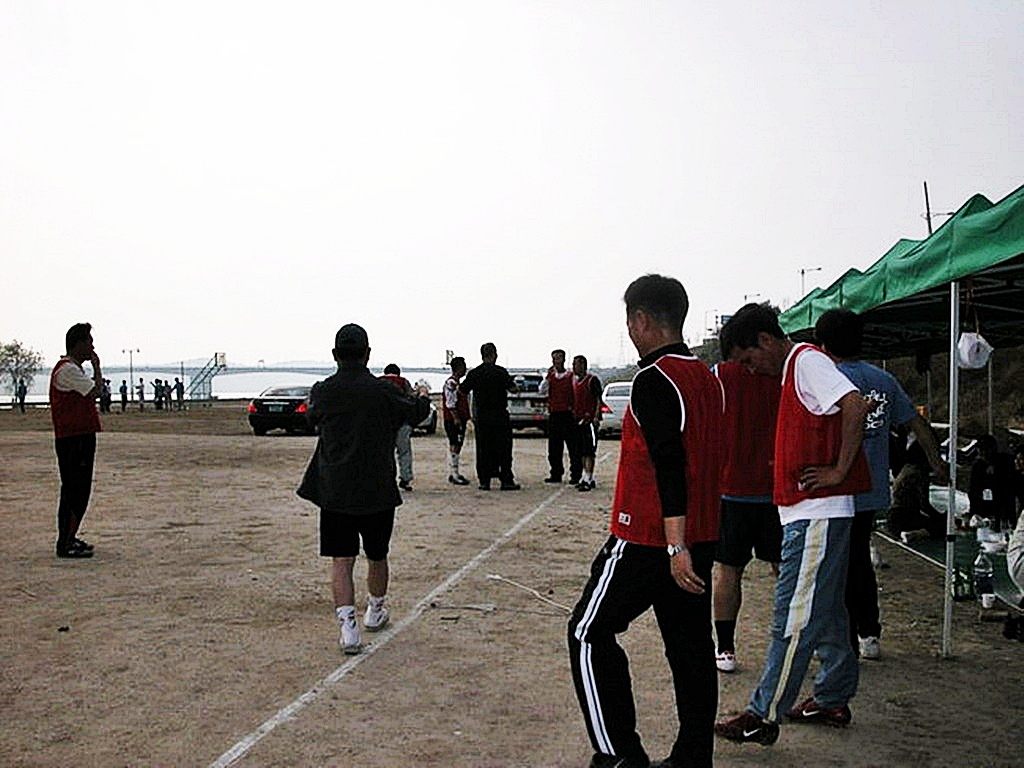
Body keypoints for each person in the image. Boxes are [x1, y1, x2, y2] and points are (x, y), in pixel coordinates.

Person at [568, 274, 723, 768]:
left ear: (641, 320)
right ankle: (693, 756)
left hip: (649, 538)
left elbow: (669, 464)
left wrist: (675, 547)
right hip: (699, 534)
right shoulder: (708, 379)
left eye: (630, 322)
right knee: (690, 650)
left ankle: (618, 756)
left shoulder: (655, 379)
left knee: (587, 633)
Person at [714, 303, 871, 747]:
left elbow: (855, 405)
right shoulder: (797, 367)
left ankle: (763, 714)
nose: (751, 370)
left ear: (766, 340)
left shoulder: (805, 362)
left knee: (795, 616)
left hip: (816, 512)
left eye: (749, 359)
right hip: (814, 512)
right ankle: (832, 697)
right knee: (828, 611)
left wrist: (838, 470)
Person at [815, 308, 947, 659]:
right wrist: (937, 464)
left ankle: (842, 639)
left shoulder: (826, 378)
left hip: (833, 489)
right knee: (859, 560)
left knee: (834, 565)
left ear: (822, 344)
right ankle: (869, 633)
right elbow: (918, 425)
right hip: (871, 490)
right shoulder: (883, 380)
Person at [297, 324, 430, 654]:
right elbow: (416, 413)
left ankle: (348, 628)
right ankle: (375, 609)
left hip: (336, 489)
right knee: (377, 554)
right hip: (376, 488)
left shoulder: (324, 390)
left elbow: (310, 418)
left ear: (335, 355)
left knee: (341, 560)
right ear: (368, 354)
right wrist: (423, 395)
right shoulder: (383, 391)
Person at [710, 359, 781, 674]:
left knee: (730, 571)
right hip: (763, 489)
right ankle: (791, 642)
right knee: (782, 571)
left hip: (745, 489)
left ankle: (725, 648)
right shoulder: (781, 365)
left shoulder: (721, 374)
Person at [49, 322, 104, 559]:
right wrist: (97, 367)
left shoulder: (71, 369)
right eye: (89, 342)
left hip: (77, 436)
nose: (92, 347)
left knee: (77, 489)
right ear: (78, 344)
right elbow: (96, 391)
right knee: (76, 490)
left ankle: (70, 537)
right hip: (74, 438)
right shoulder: (68, 370)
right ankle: (66, 541)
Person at [459, 342, 520, 491]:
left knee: (483, 449)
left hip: (482, 415)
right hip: (499, 414)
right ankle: (506, 479)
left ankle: (484, 480)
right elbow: (513, 389)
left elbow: (462, 390)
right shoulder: (501, 372)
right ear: (495, 355)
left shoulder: (474, 373)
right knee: (504, 448)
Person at [887, 440, 946, 540]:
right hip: (907, 517)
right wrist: (941, 517)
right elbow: (924, 505)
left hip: (893, 518)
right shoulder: (919, 474)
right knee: (942, 527)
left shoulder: (906, 468)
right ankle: (917, 533)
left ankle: (907, 533)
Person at [540, 349, 576, 484]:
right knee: (554, 447)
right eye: (554, 359)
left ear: (564, 359)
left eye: (559, 358)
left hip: (568, 414)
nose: (556, 361)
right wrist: (547, 378)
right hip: (554, 414)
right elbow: (542, 391)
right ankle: (555, 473)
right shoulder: (550, 377)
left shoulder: (570, 376)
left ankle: (575, 473)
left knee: (572, 446)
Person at [379, 363, 416, 491]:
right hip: (402, 423)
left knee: (385, 453)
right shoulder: (403, 382)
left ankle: (386, 479)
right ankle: (405, 479)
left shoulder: (378, 382)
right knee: (404, 452)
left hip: (383, 424)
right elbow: (411, 399)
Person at [968, 435, 1016, 531]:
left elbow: (1009, 488)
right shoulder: (978, 466)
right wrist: (973, 513)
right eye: (981, 450)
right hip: (984, 509)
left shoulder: (1005, 462)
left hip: (1004, 507)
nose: (983, 453)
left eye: (985, 450)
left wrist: (996, 471)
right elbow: (973, 491)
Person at [571, 354, 603, 492]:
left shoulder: (592, 380)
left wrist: (596, 416)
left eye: (576, 364)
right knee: (581, 451)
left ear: (582, 365)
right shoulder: (575, 382)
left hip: (589, 421)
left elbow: (598, 399)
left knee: (589, 450)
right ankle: (585, 476)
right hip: (578, 420)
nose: (574, 367)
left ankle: (588, 477)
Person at [441, 356, 472, 486]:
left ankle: (454, 472)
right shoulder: (451, 384)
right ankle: (454, 473)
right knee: (455, 444)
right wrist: (456, 418)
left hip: (458, 418)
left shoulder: (457, 384)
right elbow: (450, 402)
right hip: (453, 419)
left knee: (457, 444)